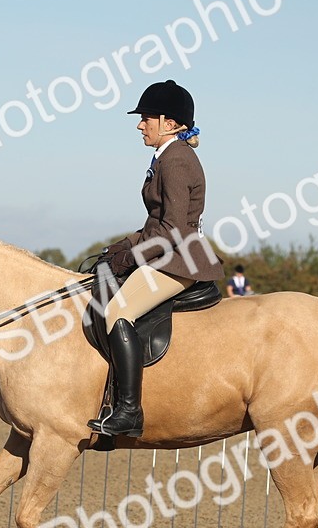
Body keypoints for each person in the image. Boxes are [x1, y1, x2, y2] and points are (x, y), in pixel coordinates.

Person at [88, 79, 223, 437]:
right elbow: (156, 222)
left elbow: (174, 229)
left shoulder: (177, 160)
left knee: (119, 310)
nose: (140, 124)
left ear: (169, 122)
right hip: (170, 253)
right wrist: (120, 247)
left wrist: (131, 256)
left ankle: (129, 410)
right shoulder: (166, 156)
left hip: (180, 260)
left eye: (147, 117)